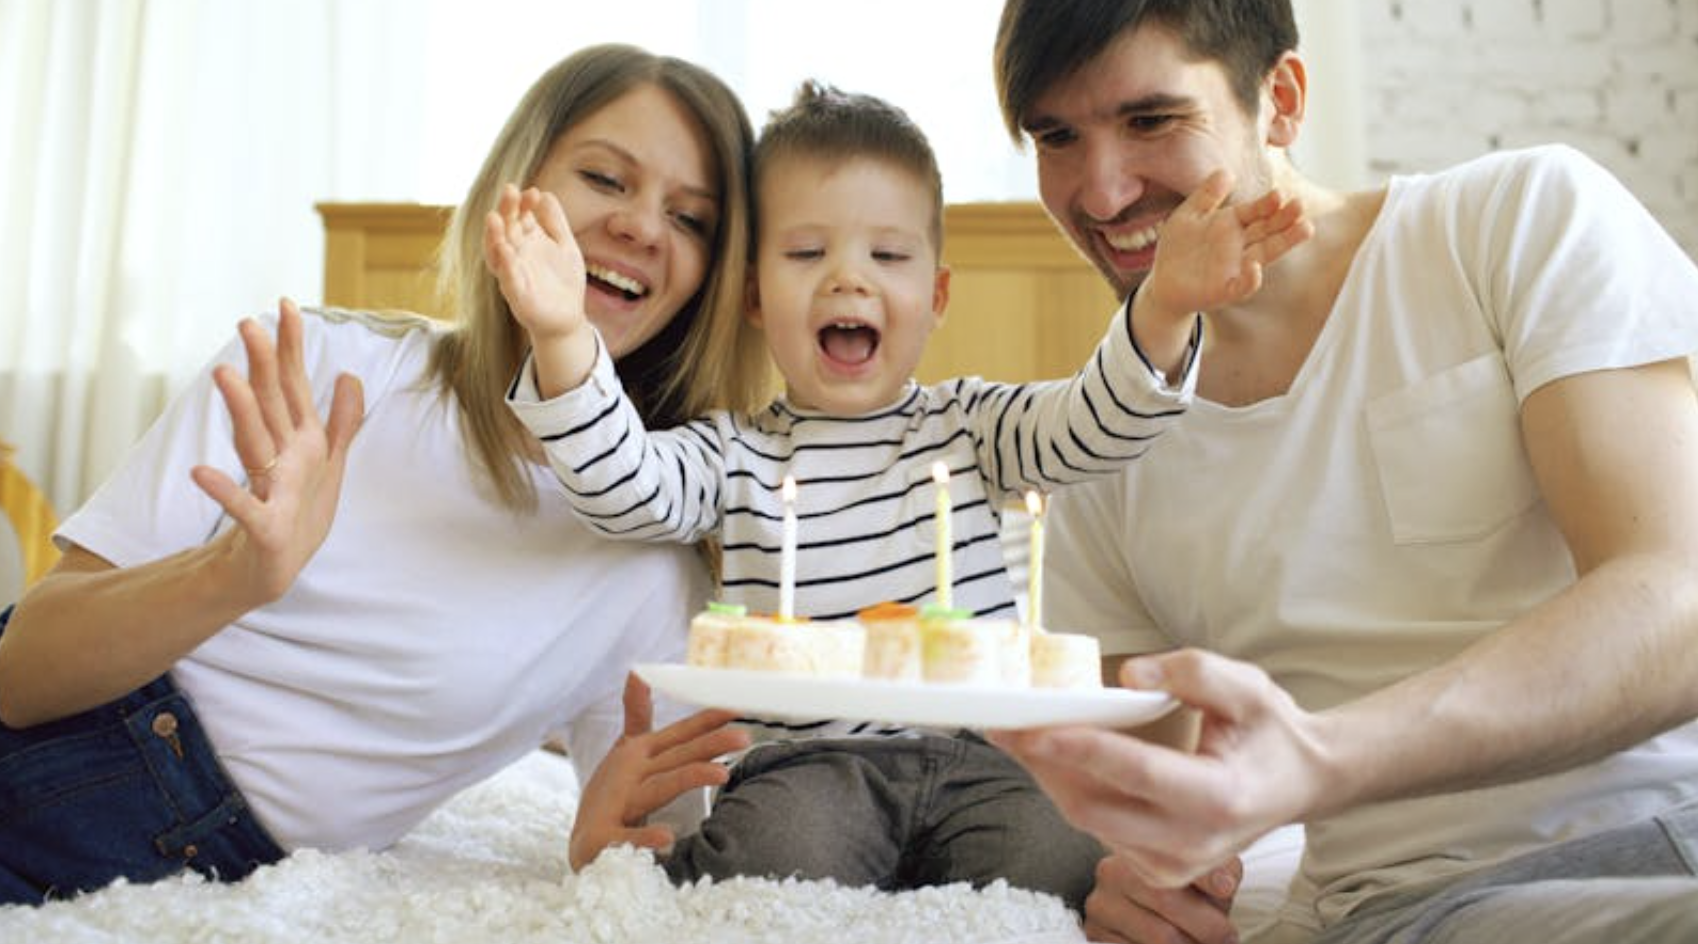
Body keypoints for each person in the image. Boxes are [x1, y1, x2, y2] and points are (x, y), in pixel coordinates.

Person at [490, 80, 1310, 910]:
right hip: (810, 767)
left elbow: (1095, 425)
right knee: (766, 870)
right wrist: (563, 335)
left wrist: (1164, 305)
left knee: (1061, 868)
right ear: (751, 296)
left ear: (936, 297)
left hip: (989, 762)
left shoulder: (974, 427)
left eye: (887, 256)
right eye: (807, 254)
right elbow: (619, 484)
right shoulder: (731, 454)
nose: (849, 281)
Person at [982, 2, 1698, 943]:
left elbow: (1678, 594)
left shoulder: (1515, 222)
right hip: (1437, 907)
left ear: (1278, 100)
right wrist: (1153, 881)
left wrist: (1320, 756)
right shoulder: (1091, 450)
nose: (1103, 193)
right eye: (1056, 136)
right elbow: (1168, 796)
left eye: (1151, 121)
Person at [0, 43, 769, 905]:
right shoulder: (325, 370)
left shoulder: (653, 570)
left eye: (692, 218)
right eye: (606, 178)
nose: (641, 226)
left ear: (714, 279)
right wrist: (235, 577)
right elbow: (22, 673)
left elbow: (664, 840)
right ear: (513, 190)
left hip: (189, 853)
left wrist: (604, 849)